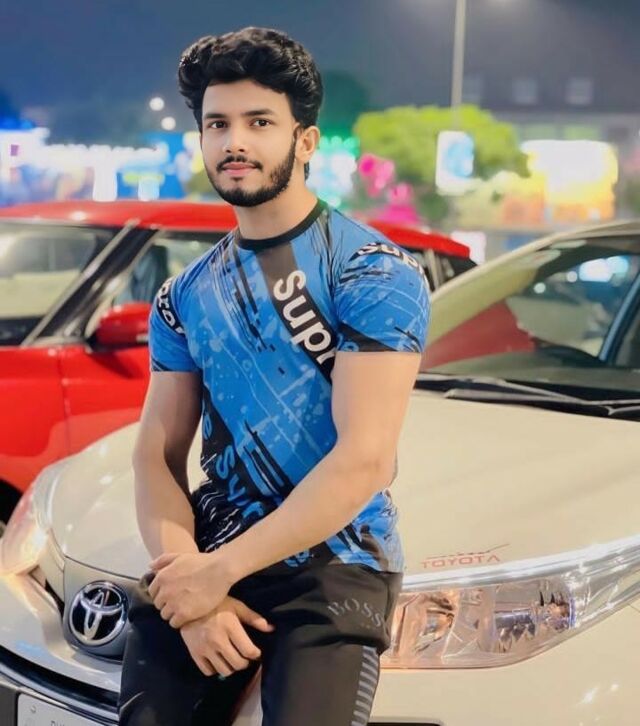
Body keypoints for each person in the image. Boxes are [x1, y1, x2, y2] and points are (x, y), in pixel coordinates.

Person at [118, 26, 430, 726]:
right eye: (217, 124)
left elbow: (364, 459)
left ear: (306, 140)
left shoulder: (372, 272)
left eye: (260, 122)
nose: (235, 142)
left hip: (337, 561)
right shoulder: (183, 295)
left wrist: (216, 574)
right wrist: (188, 585)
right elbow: (155, 455)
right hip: (214, 543)